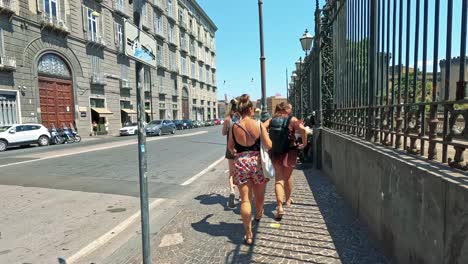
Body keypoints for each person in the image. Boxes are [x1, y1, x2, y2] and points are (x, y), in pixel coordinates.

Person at [228, 94, 272, 245]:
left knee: (245, 199)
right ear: (251, 109)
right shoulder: (258, 124)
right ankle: (259, 214)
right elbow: (268, 145)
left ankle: (248, 234)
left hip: (241, 163)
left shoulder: (234, 126)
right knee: (259, 197)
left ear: (240, 110)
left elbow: (230, 148)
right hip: (257, 162)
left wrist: (238, 153)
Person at [264, 102, 307, 220]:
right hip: (290, 151)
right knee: (287, 177)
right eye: (290, 108)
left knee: (279, 180)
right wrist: (304, 143)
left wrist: (267, 141)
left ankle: (279, 206)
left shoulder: (272, 119)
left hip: (276, 152)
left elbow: (261, 127)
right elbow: (303, 130)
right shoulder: (292, 119)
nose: (291, 110)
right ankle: (287, 200)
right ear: (285, 109)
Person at [222, 98, 240, 209]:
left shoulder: (228, 119)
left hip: (230, 148)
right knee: (241, 171)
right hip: (241, 148)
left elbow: (224, 133)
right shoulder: (241, 118)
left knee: (232, 172)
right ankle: (242, 196)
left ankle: (232, 190)